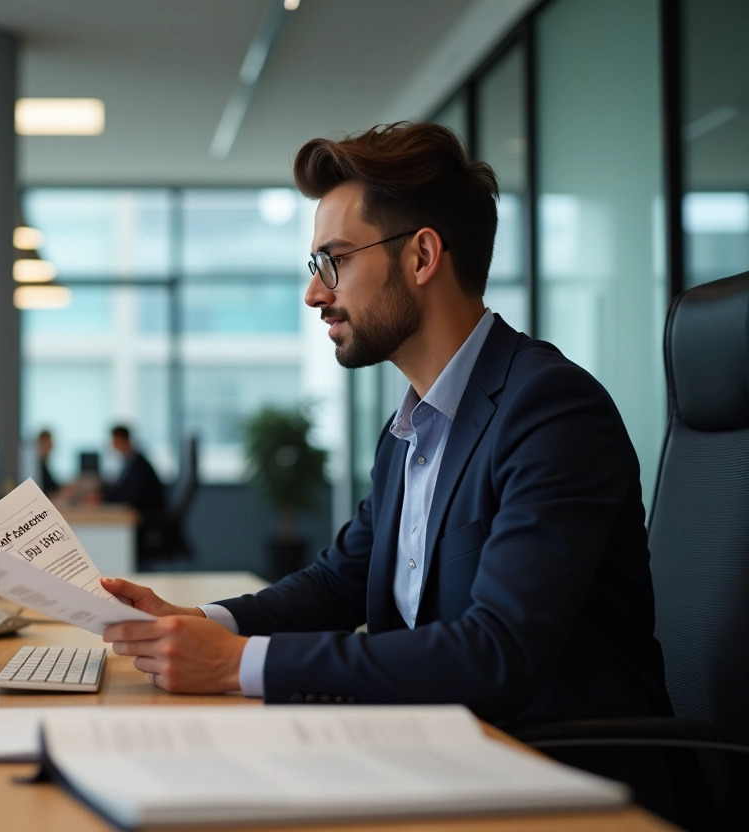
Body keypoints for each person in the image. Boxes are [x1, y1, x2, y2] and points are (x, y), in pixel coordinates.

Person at [101, 122, 674, 812]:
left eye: (333, 261)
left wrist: (235, 665)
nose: (316, 294)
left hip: (561, 785)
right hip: (436, 758)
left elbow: (497, 651)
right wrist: (200, 622)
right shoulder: (410, 428)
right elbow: (340, 582)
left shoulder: (550, 410)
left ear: (423, 255)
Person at [99, 425, 165, 513]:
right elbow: (122, 489)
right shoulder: (131, 461)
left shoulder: (139, 465)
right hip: (140, 511)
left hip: (147, 513)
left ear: (121, 440)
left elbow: (130, 495)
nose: (111, 444)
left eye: (113, 440)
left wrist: (103, 498)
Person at [35, 429, 61, 496]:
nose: (50, 449)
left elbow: (53, 486)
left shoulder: (43, 464)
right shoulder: (36, 466)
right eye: (48, 445)